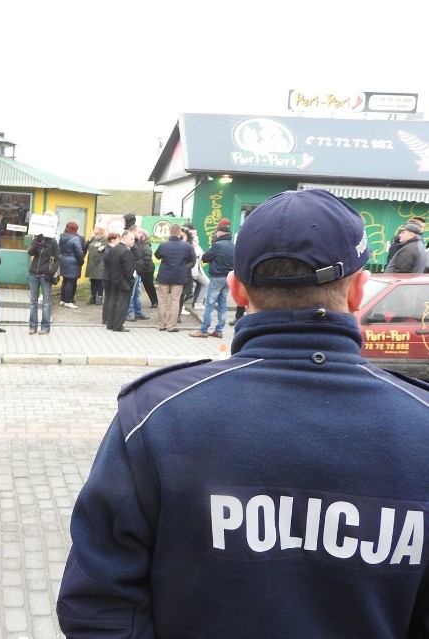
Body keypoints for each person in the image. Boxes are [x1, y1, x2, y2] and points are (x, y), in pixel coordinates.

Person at [57, 189, 429, 638]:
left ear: (235, 288)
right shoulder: (419, 422)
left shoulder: (156, 416)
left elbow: (99, 603)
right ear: (357, 291)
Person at [188, 220, 235, 339]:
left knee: (209, 303)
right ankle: (219, 330)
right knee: (222, 304)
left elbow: (205, 257)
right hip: (228, 278)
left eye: (217, 232)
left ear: (220, 233)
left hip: (217, 277)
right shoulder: (233, 245)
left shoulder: (218, 245)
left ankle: (204, 330)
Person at [154, 223, 195, 332]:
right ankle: (172, 326)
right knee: (175, 301)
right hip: (179, 277)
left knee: (162, 300)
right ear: (179, 233)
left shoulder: (163, 245)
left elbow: (157, 256)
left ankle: (162, 324)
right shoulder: (186, 246)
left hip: (164, 276)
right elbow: (192, 260)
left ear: (169, 232)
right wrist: (185, 268)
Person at [27, 233, 60, 335]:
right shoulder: (38, 239)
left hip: (45, 275)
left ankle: (45, 327)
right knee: (33, 302)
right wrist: (37, 243)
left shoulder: (53, 243)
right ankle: (33, 326)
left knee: (46, 303)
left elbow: (58, 259)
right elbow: (30, 252)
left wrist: (51, 273)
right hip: (34, 273)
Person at [105, 230, 136, 332]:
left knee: (113, 301)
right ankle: (118, 325)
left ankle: (110, 323)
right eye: (131, 239)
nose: (133, 241)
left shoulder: (114, 249)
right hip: (124, 281)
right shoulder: (126, 251)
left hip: (114, 280)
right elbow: (128, 270)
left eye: (134, 239)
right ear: (124, 238)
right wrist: (131, 281)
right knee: (122, 303)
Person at [125, 227, 150, 322]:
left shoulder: (138, 242)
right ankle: (128, 313)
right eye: (139, 232)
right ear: (133, 232)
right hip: (134, 271)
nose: (141, 234)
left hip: (138, 271)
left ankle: (138, 312)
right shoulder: (131, 244)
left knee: (137, 293)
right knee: (131, 294)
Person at [59, 221, 85, 308]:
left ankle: (62, 300)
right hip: (73, 262)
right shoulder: (75, 238)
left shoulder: (62, 237)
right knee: (71, 282)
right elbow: (79, 252)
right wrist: (81, 261)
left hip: (63, 260)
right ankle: (68, 301)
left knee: (65, 280)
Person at [84, 225, 108, 305]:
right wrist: (89, 239)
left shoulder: (104, 239)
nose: (94, 229)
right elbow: (84, 247)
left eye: (96, 228)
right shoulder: (93, 238)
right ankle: (92, 297)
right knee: (92, 280)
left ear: (101, 230)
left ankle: (100, 297)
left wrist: (103, 247)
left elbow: (108, 247)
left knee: (99, 280)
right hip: (91, 262)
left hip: (100, 262)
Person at [101, 232, 120, 326]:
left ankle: (106, 317)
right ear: (113, 240)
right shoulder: (111, 250)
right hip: (109, 276)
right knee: (109, 297)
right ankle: (107, 317)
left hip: (107, 275)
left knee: (108, 297)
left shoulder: (107, 248)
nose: (119, 241)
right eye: (118, 239)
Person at [139, 229, 158, 309]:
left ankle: (155, 301)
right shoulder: (143, 244)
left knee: (149, 286)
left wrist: (143, 269)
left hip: (147, 269)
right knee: (148, 286)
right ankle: (154, 301)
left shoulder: (146, 245)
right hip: (146, 268)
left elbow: (147, 258)